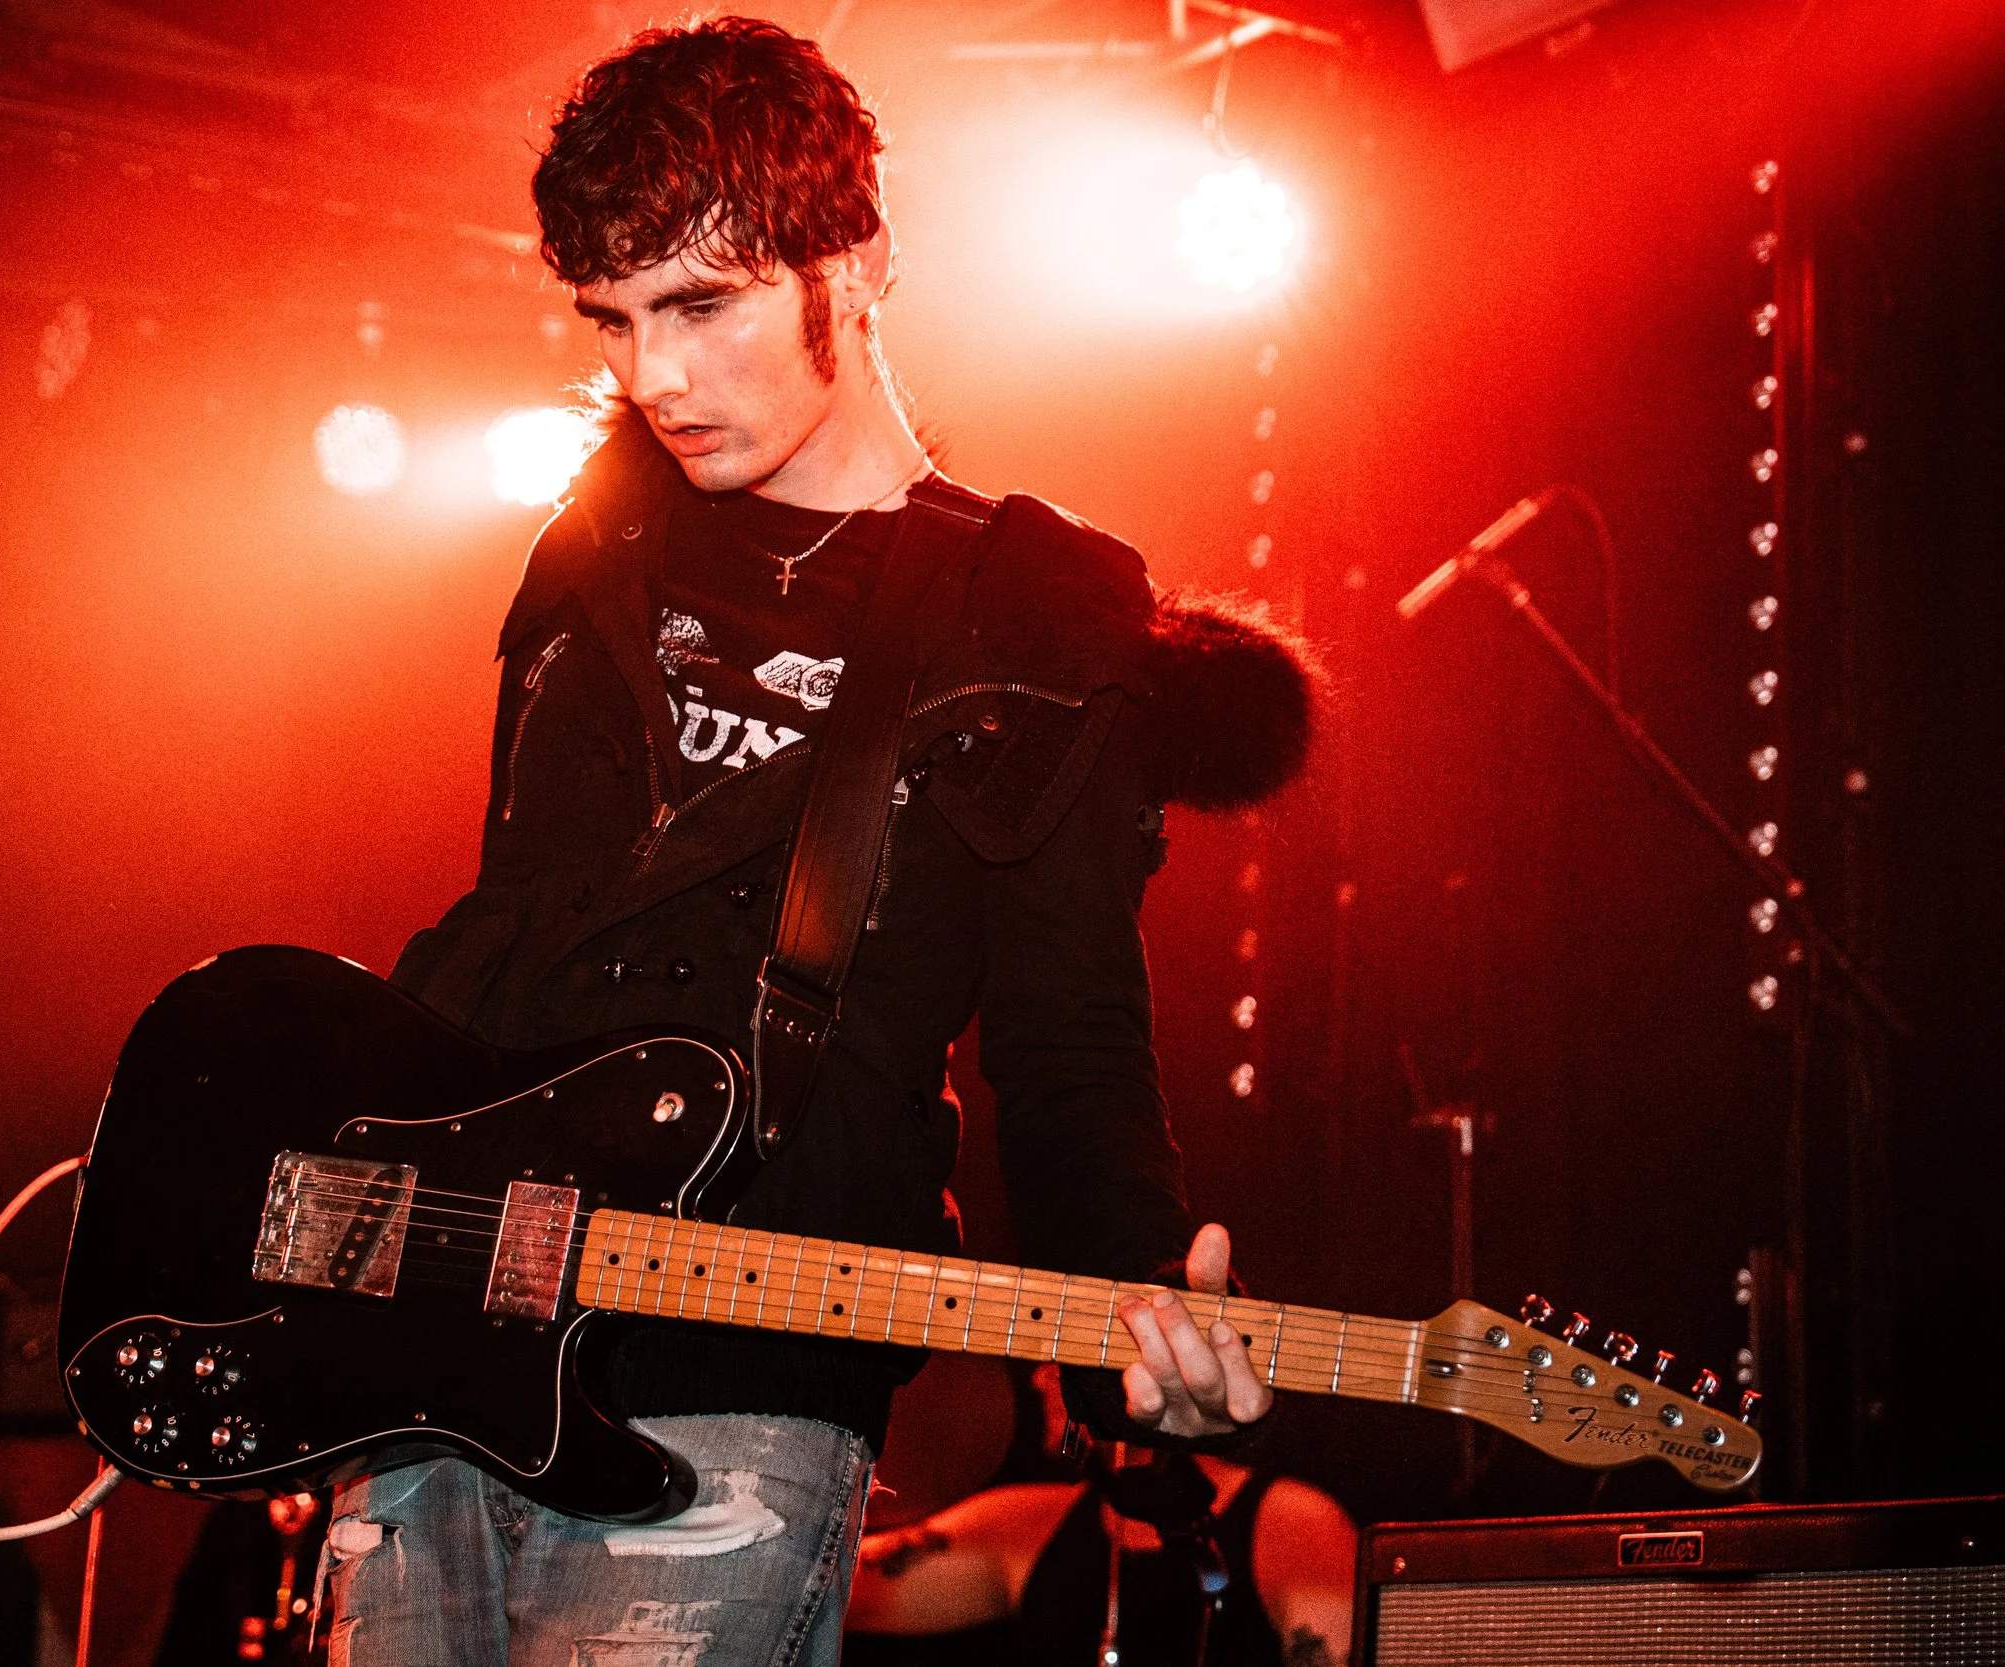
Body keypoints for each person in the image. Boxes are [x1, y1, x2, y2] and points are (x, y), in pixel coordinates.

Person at [320, 18, 1312, 1666]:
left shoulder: (1029, 606)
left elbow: (1068, 1029)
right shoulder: (596, 535)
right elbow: (510, 927)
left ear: (856, 263)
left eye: (701, 307)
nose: (655, 374)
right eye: (617, 319)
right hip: (445, 1336)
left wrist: (1139, 1295)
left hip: (739, 1377)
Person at [847, 1366, 1356, 1667]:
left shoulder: (1294, 1525)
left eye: (1055, 1356)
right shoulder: (1029, 1523)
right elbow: (828, 1586)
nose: (1038, 1379)